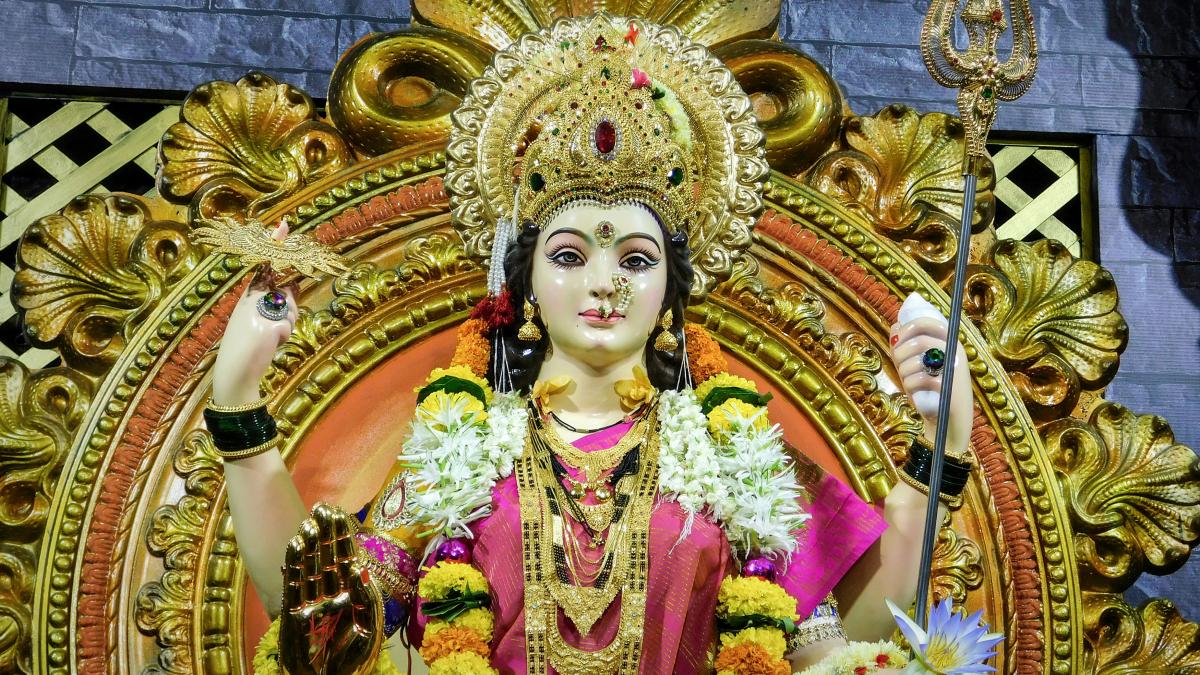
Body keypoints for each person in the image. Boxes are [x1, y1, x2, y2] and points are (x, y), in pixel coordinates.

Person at [204, 15, 975, 675]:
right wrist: (238, 407)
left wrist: (943, 451)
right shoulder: (459, 450)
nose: (605, 282)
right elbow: (318, 620)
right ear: (527, 283)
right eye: (571, 255)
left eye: (636, 259)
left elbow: (856, 640)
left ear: (671, 289)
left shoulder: (739, 460)